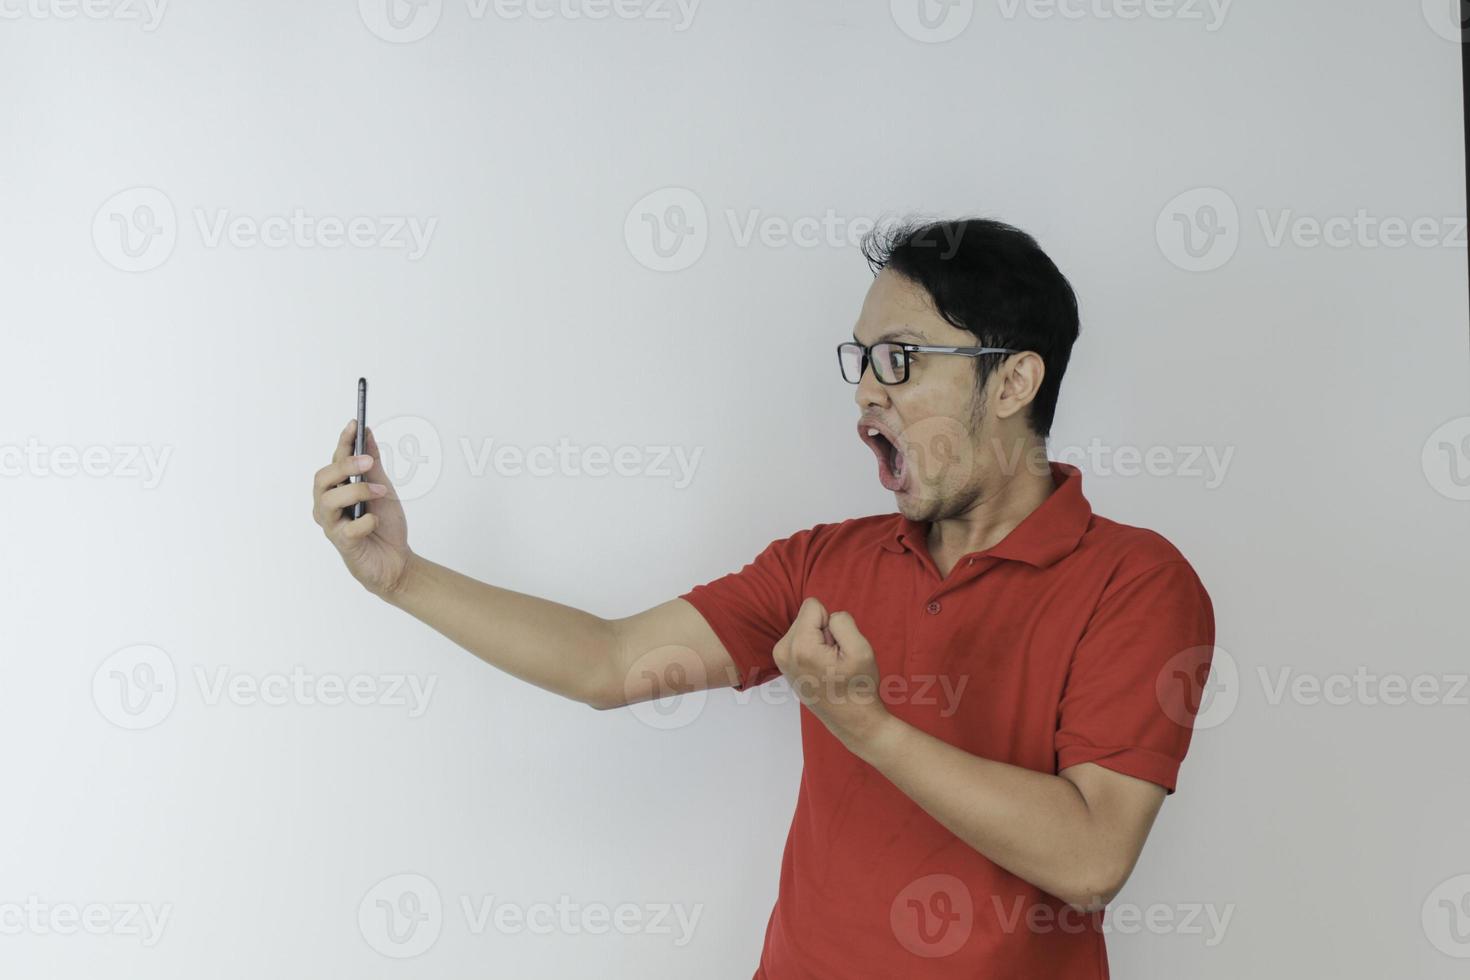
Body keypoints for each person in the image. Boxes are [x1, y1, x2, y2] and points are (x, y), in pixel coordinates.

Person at [311, 217, 1216, 978]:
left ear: (1013, 380)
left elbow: (1093, 859)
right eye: (860, 360)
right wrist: (402, 575)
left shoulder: (1135, 583)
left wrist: (870, 727)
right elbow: (610, 660)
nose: (865, 392)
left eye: (900, 359)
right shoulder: (825, 563)